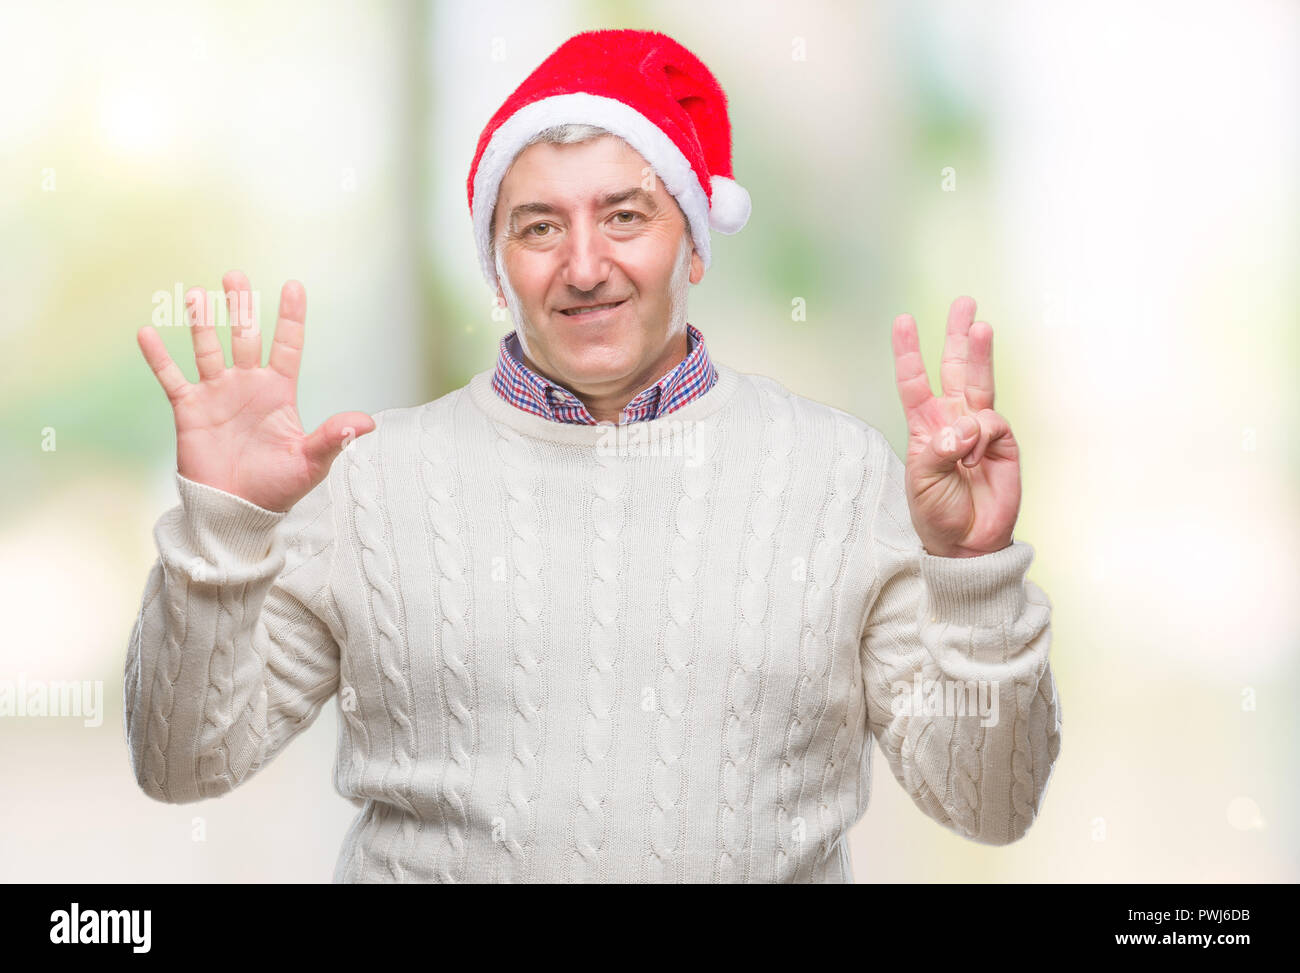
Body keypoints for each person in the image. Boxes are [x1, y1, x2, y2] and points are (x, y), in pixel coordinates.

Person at [126, 28, 1061, 883]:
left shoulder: (843, 477)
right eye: (538, 226)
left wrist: (974, 574)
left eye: (624, 216)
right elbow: (181, 764)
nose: (582, 266)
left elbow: (989, 806)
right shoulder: (369, 481)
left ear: (693, 243)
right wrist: (222, 532)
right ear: (497, 263)